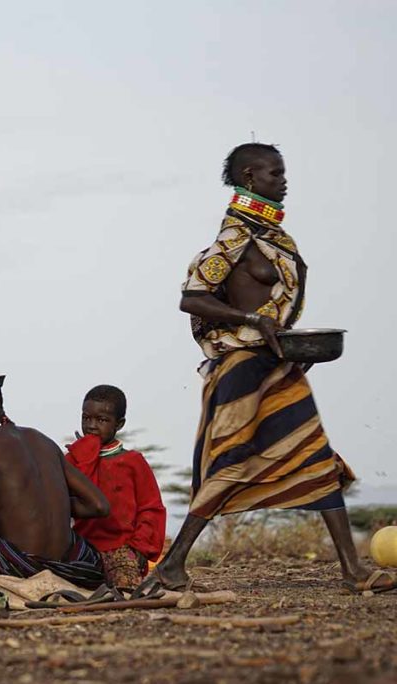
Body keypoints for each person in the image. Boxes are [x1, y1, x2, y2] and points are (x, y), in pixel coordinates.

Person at [143, 143, 395, 594]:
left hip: (274, 366)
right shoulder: (234, 239)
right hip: (242, 369)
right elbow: (191, 297)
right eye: (275, 173)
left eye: (283, 173)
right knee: (230, 463)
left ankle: (352, 570)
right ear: (249, 176)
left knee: (314, 455)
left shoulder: (270, 237)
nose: (284, 181)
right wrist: (253, 320)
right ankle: (172, 565)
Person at [0, 359, 110, 588]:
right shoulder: (42, 440)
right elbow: (99, 505)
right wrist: (39, 503)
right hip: (77, 569)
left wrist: (13, 507)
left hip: (21, 569)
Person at [65, 385, 166, 590]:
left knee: (125, 590)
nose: (91, 426)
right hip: (81, 548)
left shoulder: (132, 461)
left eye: (101, 420)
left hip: (121, 548)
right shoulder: (71, 461)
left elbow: (151, 509)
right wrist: (83, 455)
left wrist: (139, 549)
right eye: (86, 418)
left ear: (119, 424)